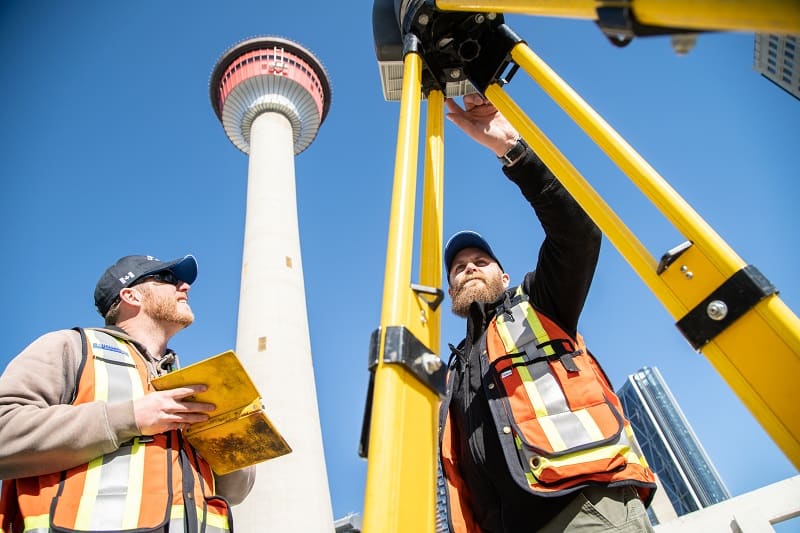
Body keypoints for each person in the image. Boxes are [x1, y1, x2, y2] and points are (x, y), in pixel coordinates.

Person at [439, 93, 657, 532]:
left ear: (504, 276)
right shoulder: (455, 369)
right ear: (451, 290)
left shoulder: (538, 304)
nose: (469, 269)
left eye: (481, 261)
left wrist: (511, 149)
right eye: (459, 268)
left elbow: (577, 233)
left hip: (582, 507)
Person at [0, 254, 255, 532]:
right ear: (131, 295)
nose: (185, 287)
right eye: (169, 279)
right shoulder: (70, 348)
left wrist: (227, 443)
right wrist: (130, 416)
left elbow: (236, 492)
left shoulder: (188, 382)